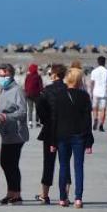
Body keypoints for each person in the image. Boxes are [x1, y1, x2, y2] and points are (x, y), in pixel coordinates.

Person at [49, 66, 93, 208]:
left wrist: (52, 140)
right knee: (78, 167)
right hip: (79, 135)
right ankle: (78, 198)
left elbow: (54, 119)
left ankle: (62, 198)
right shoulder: (84, 96)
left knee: (63, 166)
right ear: (79, 80)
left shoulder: (59, 96)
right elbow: (87, 120)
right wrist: (89, 141)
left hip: (62, 135)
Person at [0, 65, 28, 204]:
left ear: (11, 75)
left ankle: (16, 194)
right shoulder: (4, 89)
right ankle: (10, 192)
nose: (1, 78)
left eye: (4, 76)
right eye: (0, 76)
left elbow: (22, 112)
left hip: (16, 133)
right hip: (6, 133)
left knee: (11, 163)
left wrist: (6, 117)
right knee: (4, 162)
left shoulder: (17, 90)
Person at [33, 64, 64, 203]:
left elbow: (39, 104)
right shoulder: (67, 89)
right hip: (66, 129)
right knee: (65, 163)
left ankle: (44, 195)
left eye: (51, 73)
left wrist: (45, 119)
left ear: (55, 75)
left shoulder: (47, 90)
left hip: (50, 129)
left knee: (48, 162)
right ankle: (65, 196)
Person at [89, 56, 107, 131]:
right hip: (104, 92)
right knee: (103, 109)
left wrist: (91, 92)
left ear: (98, 62)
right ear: (104, 62)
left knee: (95, 108)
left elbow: (92, 83)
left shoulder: (94, 71)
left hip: (96, 92)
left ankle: (95, 119)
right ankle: (101, 124)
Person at [23, 62, 43, 126]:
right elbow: (40, 86)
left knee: (30, 109)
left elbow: (25, 85)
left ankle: (30, 122)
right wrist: (42, 92)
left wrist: (26, 92)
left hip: (28, 95)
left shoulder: (28, 76)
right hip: (36, 95)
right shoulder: (38, 76)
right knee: (37, 108)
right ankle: (37, 121)